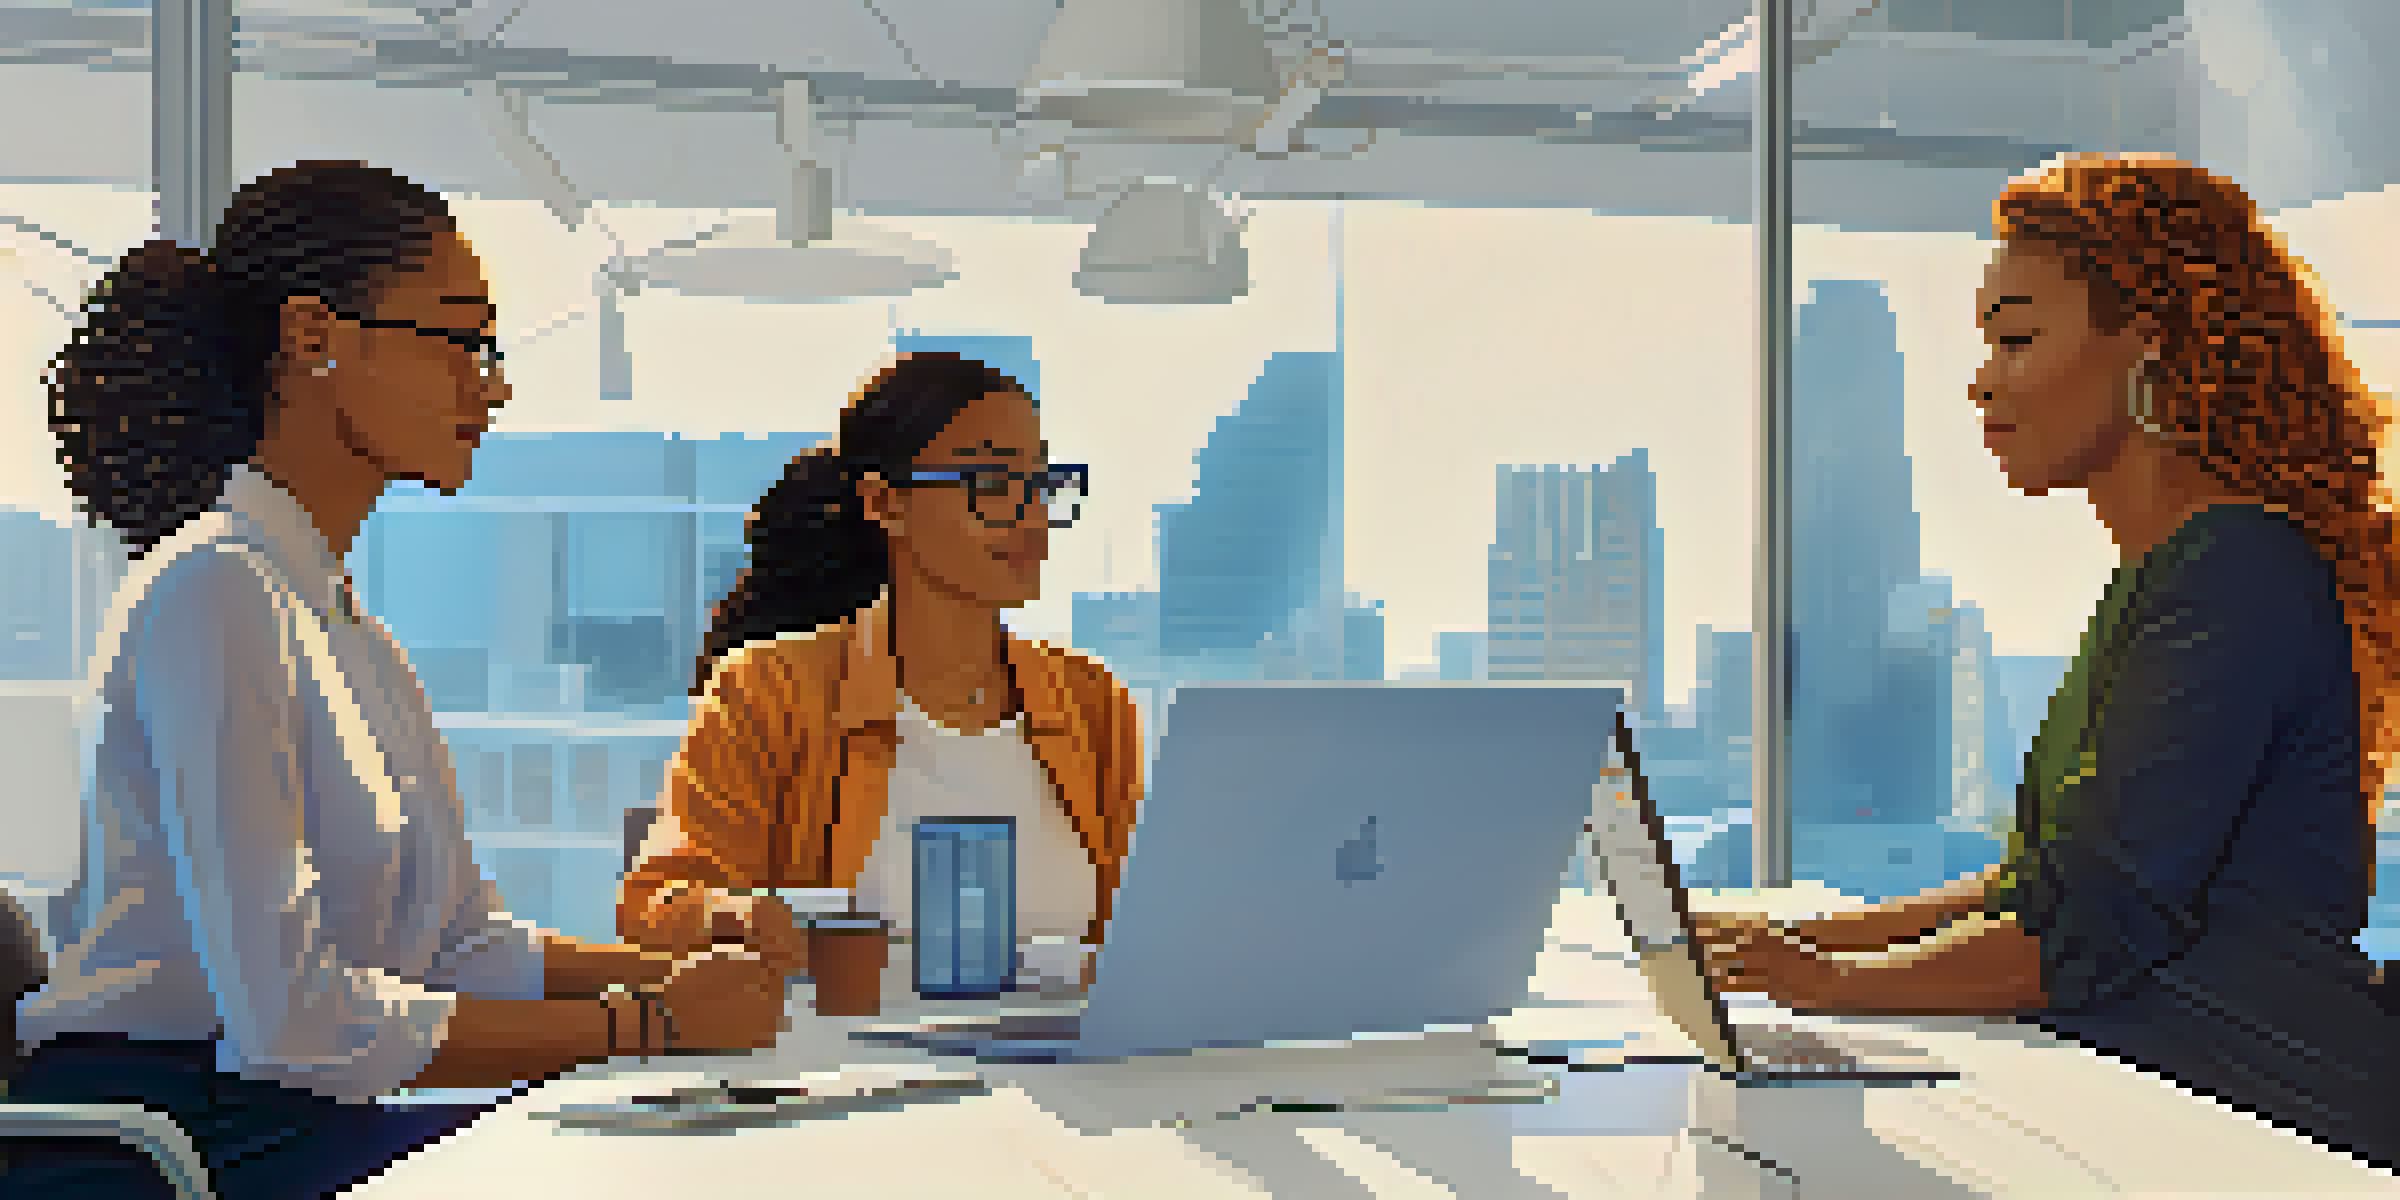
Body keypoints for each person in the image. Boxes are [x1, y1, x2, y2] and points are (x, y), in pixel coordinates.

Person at [7, 162, 794, 1200]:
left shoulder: (347, 630)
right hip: (173, 1147)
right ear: (313, 338)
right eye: (462, 340)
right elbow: (293, 1021)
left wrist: (676, 978)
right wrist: (651, 1027)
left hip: (278, 1118)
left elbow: (460, 945)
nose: (494, 384)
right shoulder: (216, 592)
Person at [1692, 152, 2400, 1169]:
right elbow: (2038, 886)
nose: (1984, 379)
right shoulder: (2167, 572)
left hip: (2269, 1131)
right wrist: (1797, 950)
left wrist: (1828, 986)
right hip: (2160, 1101)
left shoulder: (2232, 567)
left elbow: (2078, 934)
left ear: (2146, 344)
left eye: (2018, 338)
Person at [619, 352, 1140, 1005]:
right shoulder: (767, 690)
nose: (1031, 516)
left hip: (1066, 1079)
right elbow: (652, 911)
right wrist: (732, 917)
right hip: (846, 1080)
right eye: (990, 483)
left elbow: (1137, 933)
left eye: (1040, 484)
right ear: (885, 502)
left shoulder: (1091, 701)